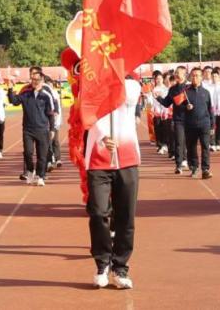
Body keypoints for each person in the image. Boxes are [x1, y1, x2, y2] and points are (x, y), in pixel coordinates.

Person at [86, 75, 141, 290]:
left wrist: (114, 78)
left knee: (125, 216)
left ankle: (120, 267)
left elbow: (129, 96)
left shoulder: (131, 86)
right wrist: (102, 136)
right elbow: (87, 114)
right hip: (98, 159)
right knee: (98, 213)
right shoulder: (91, 82)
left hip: (127, 158)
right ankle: (102, 264)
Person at [6, 66, 56, 186]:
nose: (35, 82)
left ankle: (40, 176)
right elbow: (14, 101)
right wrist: (10, 88)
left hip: (42, 129)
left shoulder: (46, 95)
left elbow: (51, 113)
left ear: (42, 80)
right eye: (33, 80)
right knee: (28, 153)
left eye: (37, 80)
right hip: (28, 129)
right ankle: (30, 171)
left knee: (42, 155)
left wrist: (52, 129)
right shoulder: (25, 93)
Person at [181, 67, 214, 179]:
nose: (195, 77)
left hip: (204, 124)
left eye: (197, 75)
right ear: (190, 77)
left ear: (201, 77)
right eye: (193, 75)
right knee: (191, 147)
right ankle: (194, 167)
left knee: (205, 146)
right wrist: (186, 107)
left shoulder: (206, 93)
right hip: (190, 124)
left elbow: (210, 109)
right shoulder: (185, 92)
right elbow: (179, 108)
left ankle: (205, 169)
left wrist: (212, 124)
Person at [156, 66, 190, 174]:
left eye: (179, 73)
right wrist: (158, 98)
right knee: (179, 141)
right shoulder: (173, 89)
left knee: (190, 142)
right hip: (178, 119)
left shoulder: (189, 87)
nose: (176, 74)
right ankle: (178, 165)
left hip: (190, 119)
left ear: (184, 74)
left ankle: (190, 162)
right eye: (176, 73)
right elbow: (167, 103)